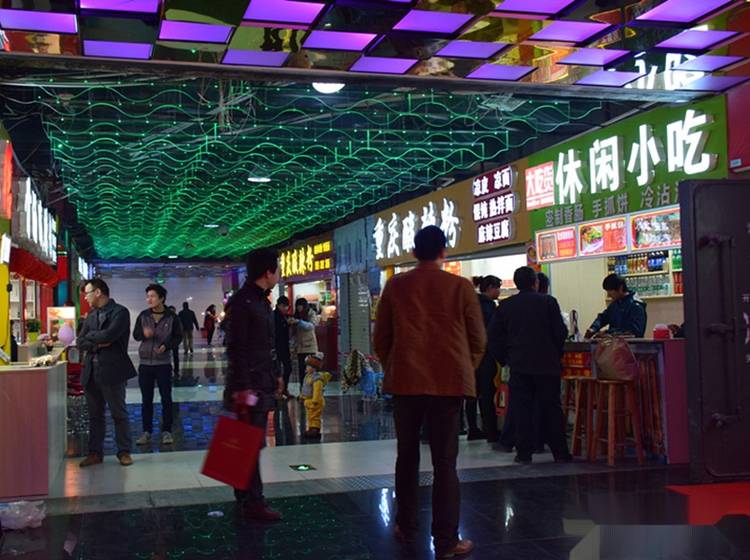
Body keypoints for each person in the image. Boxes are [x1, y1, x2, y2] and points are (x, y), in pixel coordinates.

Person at [374, 226, 485, 559]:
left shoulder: (396, 286)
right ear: (443, 252)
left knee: (406, 456)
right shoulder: (460, 287)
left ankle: (406, 526)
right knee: (445, 463)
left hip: (406, 383)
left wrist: (397, 365)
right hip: (448, 385)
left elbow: (382, 338)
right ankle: (447, 540)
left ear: (413, 251)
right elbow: (478, 339)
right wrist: (462, 369)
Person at [488, 266, 571, 465]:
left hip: (519, 365)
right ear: (536, 282)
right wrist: (555, 353)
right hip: (547, 364)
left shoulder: (505, 306)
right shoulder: (548, 302)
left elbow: (493, 337)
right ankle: (560, 453)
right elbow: (560, 332)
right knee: (552, 408)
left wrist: (505, 359)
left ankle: (524, 453)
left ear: (516, 284)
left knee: (521, 409)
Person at [224, 248, 284, 522]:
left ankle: (243, 494)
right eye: (277, 269)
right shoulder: (242, 302)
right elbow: (236, 348)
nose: (279, 273)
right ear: (267, 272)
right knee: (250, 443)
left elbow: (265, 345)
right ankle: (254, 501)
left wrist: (276, 374)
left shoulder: (260, 300)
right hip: (249, 386)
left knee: (248, 441)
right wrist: (244, 388)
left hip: (261, 380)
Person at [77, 278, 137, 467]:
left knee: (118, 413)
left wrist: (92, 338)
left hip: (113, 370)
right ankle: (95, 453)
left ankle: (124, 452)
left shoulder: (120, 312)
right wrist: (98, 343)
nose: (85, 298)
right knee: (95, 415)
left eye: (87, 293)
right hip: (91, 371)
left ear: (98, 292)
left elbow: (110, 335)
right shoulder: (91, 315)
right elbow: (80, 341)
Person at [133, 284, 182, 446]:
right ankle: (146, 432)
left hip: (163, 364)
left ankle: (166, 431)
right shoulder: (143, 315)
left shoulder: (172, 317)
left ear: (162, 298)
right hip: (145, 364)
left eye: (152, 296)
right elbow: (136, 335)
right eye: (148, 296)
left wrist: (166, 346)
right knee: (146, 399)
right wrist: (144, 334)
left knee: (166, 398)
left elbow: (178, 337)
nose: (149, 299)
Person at [471, 275, 501, 443]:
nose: (499, 291)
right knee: (488, 394)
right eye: (497, 288)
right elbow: (493, 333)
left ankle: (473, 429)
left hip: (471, 356)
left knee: (472, 394)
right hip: (487, 356)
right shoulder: (489, 307)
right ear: (490, 288)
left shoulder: (472, 304)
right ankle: (491, 431)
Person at [585, 274, 647, 338]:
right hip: (615, 343)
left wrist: (608, 333)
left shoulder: (636, 306)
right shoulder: (616, 304)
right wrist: (593, 328)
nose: (609, 295)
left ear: (620, 288)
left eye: (610, 291)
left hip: (631, 344)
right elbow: (603, 317)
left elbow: (634, 332)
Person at [299, 352, 331, 440]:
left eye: (308, 366)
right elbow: (305, 388)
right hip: (309, 401)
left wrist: (315, 400)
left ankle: (315, 429)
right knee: (310, 416)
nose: (306, 368)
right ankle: (311, 428)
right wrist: (302, 396)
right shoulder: (307, 377)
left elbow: (317, 391)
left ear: (314, 368)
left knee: (315, 416)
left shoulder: (317, 379)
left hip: (315, 402)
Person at [289, 297, 319, 382]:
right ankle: (302, 388)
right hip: (300, 348)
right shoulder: (296, 315)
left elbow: (311, 326)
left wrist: (299, 322)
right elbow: (294, 334)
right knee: (301, 371)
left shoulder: (311, 313)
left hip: (310, 347)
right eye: (297, 306)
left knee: (310, 370)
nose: (299, 308)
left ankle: (310, 388)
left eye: (300, 306)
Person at [274, 296, 293, 397]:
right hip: (276, 347)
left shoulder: (286, 316)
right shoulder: (274, 316)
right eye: (284, 306)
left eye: (287, 306)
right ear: (279, 305)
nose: (286, 308)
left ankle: (284, 389)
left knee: (288, 368)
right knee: (276, 370)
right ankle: (278, 391)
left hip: (285, 347)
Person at [167, 305, 181, 380]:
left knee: (174, 356)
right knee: (172, 356)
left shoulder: (176, 318)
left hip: (173, 340)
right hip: (169, 340)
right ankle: (174, 370)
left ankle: (175, 369)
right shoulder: (175, 318)